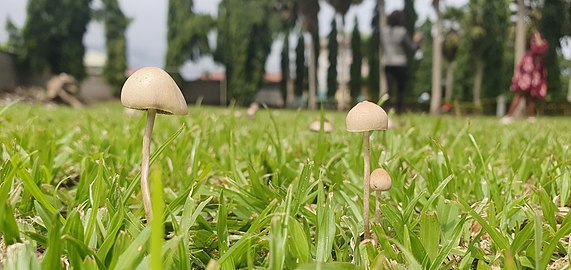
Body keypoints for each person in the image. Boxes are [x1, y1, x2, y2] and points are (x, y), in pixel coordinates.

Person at [501, 30, 548, 124]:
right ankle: (509, 116)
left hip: (534, 75)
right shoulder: (528, 52)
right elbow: (521, 65)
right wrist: (517, 75)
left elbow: (539, 50)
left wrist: (538, 41)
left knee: (530, 97)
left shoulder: (542, 46)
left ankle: (531, 118)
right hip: (525, 75)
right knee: (518, 94)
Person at [381, 10, 422, 114]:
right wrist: (417, 41)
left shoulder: (384, 31)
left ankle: (386, 110)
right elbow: (412, 49)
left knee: (389, 90)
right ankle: (399, 110)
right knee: (400, 89)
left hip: (387, 62)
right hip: (400, 63)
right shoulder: (402, 32)